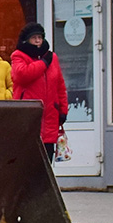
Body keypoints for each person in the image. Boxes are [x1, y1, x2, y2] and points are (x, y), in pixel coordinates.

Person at [11, 22, 69, 162]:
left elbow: (60, 85)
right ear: (27, 39)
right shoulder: (18, 56)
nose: (38, 40)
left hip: (50, 114)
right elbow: (21, 75)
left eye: (40, 37)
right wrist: (43, 63)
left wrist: (63, 109)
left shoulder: (52, 57)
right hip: (28, 115)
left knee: (46, 160)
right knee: (28, 160)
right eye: (34, 37)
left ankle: (44, 184)